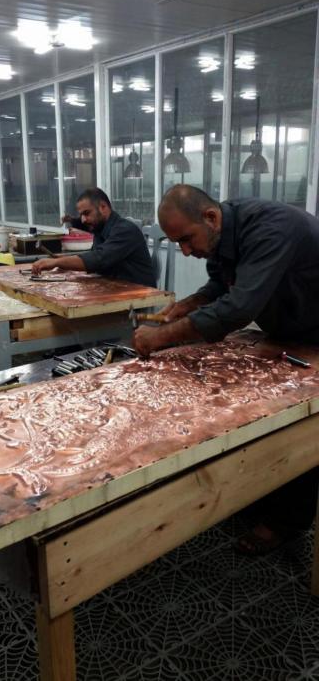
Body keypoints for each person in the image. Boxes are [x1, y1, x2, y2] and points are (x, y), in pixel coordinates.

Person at [133, 184, 319, 555]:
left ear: (211, 218)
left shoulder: (271, 229)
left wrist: (161, 337)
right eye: (177, 244)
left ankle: (288, 523)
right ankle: (261, 494)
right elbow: (221, 284)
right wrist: (187, 304)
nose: (186, 252)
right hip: (290, 328)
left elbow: (238, 308)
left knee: (303, 421)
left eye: (186, 240)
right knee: (263, 410)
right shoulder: (222, 234)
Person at [32, 188, 155, 287]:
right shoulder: (100, 228)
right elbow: (95, 257)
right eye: (81, 215)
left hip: (140, 298)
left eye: (86, 213)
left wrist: (56, 262)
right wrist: (65, 262)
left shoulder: (124, 230)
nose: (83, 220)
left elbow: (98, 259)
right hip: (116, 290)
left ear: (103, 207)